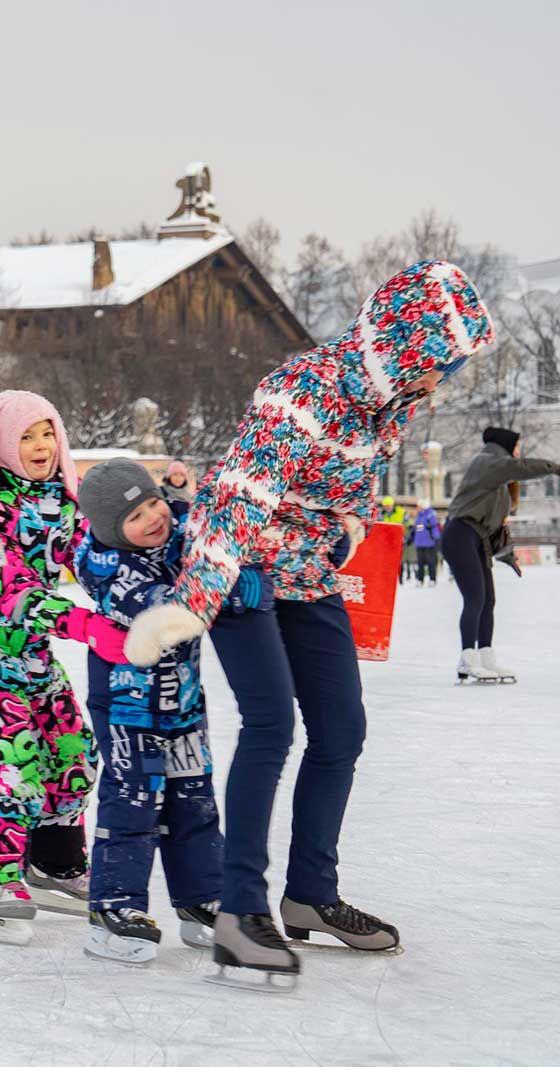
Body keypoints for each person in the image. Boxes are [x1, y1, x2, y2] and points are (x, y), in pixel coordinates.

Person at [124, 260, 496, 988]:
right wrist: (194, 604)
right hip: (238, 570)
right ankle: (238, 911)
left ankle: (309, 895)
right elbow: (236, 500)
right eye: (437, 366)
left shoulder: (385, 404)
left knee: (342, 730)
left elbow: (336, 490)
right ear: (403, 347)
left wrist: (342, 529)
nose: (438, 383)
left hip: (305, 572)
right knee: (270, 725)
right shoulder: (307, 391)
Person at [0, 390, 127, 945]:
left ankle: (54, 861)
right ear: (0, 443)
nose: (41, 445)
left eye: (48, 432)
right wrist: (86, 627)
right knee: (12, 760)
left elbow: (91, 557)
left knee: (72, 753)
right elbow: (9, 590)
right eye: (26, 436)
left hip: (30, 647)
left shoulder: (62, 497)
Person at [74, 459, 227, 964]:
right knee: (132, 801)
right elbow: (172, 607)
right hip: (129, 709)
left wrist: (182, 496)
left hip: (182, 703)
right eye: (136, 515)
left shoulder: (168, 530)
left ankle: (202, 899)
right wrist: (223, 586)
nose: (154, 517)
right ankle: (115, 906)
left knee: (194, 799)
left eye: (153, 502)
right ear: (113, 531)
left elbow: (199, 523)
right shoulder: (112, 570)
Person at [442, 427, 559, 683]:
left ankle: (486, 657)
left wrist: (509, 555)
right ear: (506, 445)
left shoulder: (499, 484)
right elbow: (523, 467)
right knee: (475, 598)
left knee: (488, 599)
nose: (519, 452)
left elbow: (497, 529)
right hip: (460, 534)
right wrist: (554, 467)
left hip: (476, 538)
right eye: (517, 446)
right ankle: (467, 658)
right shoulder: (488, 462)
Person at [412, 496, 442, 586]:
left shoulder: (430, 515)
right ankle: (420, 580)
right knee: (420, 563)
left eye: (419, 506)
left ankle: (432, 579)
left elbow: (434, 527)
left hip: (429, 543)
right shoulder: (419, 517)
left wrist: (436, 539)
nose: (417, 508)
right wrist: (412, 538)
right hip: (419, 543)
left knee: (431, 562)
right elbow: (417, 529)